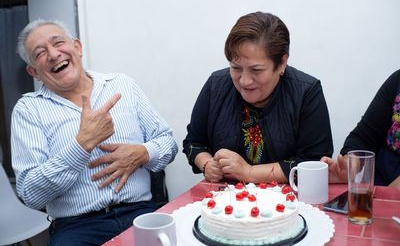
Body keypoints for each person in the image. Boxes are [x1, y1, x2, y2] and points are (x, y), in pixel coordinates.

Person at [11, 19, 178, 245]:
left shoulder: (122, 85)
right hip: (77, 227)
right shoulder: (28, 110)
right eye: (40, 52)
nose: (52, 54)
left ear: (77, 47)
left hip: (141, 212)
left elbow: (168, 143)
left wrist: (144, 153)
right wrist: (82, 144)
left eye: (58, 42)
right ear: (34, 72)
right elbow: (31, 193)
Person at [183, 12, 333, 183]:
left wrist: (249, 172)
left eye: (256, 70)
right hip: (226, 200)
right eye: (236, 68)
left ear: (282, 63)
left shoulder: (306, 92)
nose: (244, 81)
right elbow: (194, 142)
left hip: (290, 201)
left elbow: (314, 163)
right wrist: (207, 164)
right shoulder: (216, 85)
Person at [321, 70, 400, 188]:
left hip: (385, 196)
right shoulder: (397, 80)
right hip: (372, 190)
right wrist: (351, 166)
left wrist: (388, 196)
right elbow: (363, 138)